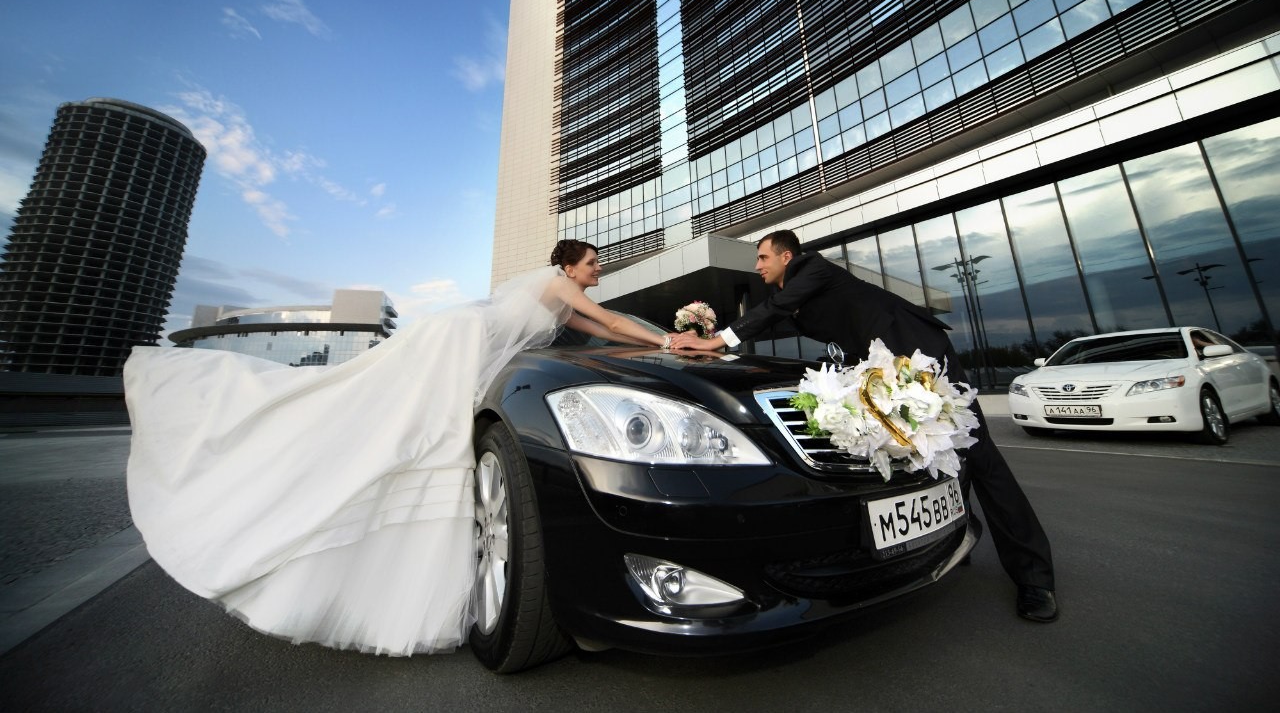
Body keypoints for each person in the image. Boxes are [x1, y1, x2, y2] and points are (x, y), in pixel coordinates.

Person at [124, 239, 674, 656]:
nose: (599, 269)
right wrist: (672, 338)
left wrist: (666, 341)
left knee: (415, 427)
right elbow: (608, 320)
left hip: (467, 341)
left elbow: (606, 331)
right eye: (593, 263)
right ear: (568, 267)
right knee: (411, 426)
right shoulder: (558, 287)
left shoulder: (561, 298)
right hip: (458, 340)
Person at [670, 229, 1058, 622]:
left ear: (787, 257)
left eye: (763, 257)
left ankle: (1035, 578)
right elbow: (768, 318)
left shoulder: (811, 267)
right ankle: (953, 536)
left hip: (917, 350)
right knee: (927, 453)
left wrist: (717, 340)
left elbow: (774, 309)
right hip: (881, 370)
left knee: (976, 452)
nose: (757, 266)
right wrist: (700, 335)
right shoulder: (792, 295)